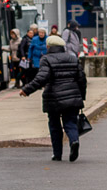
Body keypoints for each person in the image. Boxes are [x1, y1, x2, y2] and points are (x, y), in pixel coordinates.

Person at [20, 33, 87, 162]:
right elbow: (82, 79)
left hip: (53, 98)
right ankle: (74, 141)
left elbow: (41, 78)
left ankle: (57, 154)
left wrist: (26, 90)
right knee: (70, 122)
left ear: (49, 46)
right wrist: (81, 97)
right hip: (72, 97)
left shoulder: (46, 59)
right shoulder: (73, 58)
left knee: (55, 126)